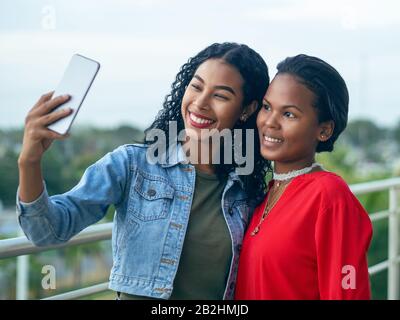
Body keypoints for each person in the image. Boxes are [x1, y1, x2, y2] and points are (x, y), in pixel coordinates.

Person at [16, 42, 270, 300]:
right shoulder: (131, 164)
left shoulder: (246, 191)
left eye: (220, 95)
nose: (201, 103)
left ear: (247, 109)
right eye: (196, 86)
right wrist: (29, 161)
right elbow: (46, 232)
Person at [235, 54, 373, 300]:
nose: (270, 122)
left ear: (324, 130)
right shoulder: (267, 192)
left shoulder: (329, 196)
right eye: (267, 107)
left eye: (289, 114)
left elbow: (348, 291)